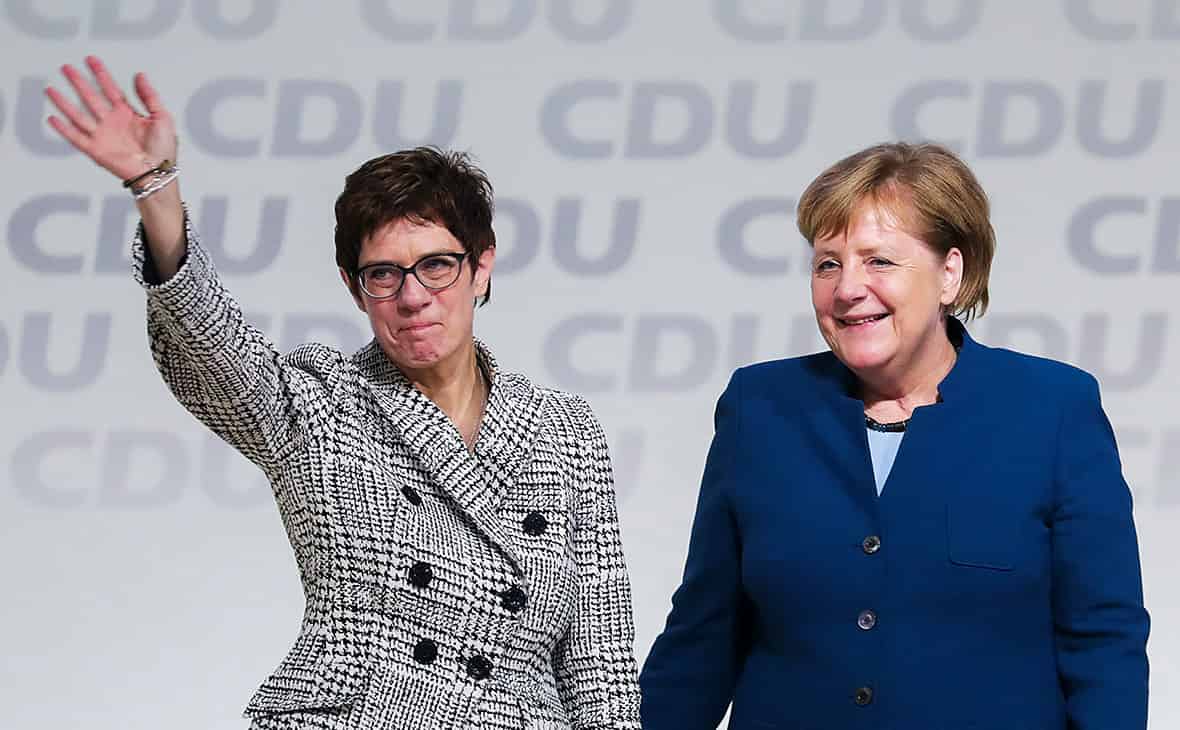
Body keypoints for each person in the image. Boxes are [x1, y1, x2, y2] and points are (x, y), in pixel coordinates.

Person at [45, 56, 642, 730]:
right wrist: (156, 188)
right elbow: (213, 349)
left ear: (481, 268)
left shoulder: (564, 431)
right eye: (383, 274)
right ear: (354, 289)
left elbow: (600, 665)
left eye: (436, 266)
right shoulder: (321, 405)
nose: (412, 296)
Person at [638, 141, 1150, 729]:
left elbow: (1104, 641)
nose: (847, 288)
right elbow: (702, 637)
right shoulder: (759, 409)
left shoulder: (1054, 409)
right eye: (828, 264)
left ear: (950, 273)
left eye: (879, 261)